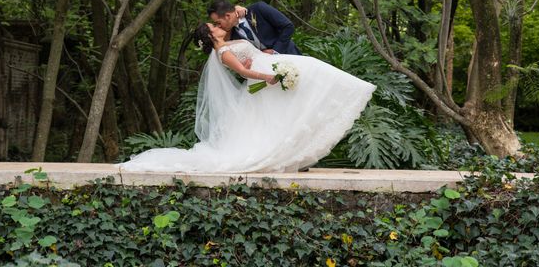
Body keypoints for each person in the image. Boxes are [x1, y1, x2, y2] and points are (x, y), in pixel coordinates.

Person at [119, 23, 376, 173]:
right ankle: (354, 89)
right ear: (211, 36)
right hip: (266, 76)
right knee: (308, 76)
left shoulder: (228, 45)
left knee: (307, 79)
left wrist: (262, 53)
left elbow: (248, 56)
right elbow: (242, 70)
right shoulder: (222, 53)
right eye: (214, 27)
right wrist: (269, 78)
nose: (219, 26)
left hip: (270, 65)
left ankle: (353, 89)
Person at [208, 0, 302, 55]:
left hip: (288, 54)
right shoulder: (230, 35)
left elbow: (288, 26)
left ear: (228, 16)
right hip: (266, 71)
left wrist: (275, 52)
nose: (218, 26)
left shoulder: (258, 9)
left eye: (218, 22)